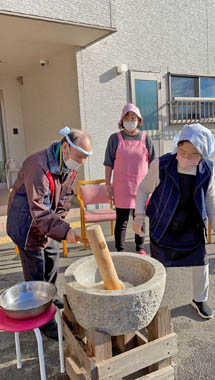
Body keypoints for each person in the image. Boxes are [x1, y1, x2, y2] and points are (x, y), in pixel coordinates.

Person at [7, 126, 92, 339]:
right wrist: (64, 231)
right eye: (79, 156)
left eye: (85, 158)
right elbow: (39, 209)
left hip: (46, 223)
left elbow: (64, 200)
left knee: (52, 259)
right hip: (26, 224)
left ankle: (50, 297)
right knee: (36, 270)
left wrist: (60, 227)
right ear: (65, 147)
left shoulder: (69, 168)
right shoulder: (38, 165)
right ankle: (43, 321)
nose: (81, 162)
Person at [133, 123, 215, 319]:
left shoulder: (208, 170)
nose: (185, 156)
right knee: (160, 267)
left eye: (192, 154)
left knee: (201, 263)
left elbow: (210, 199)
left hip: (193, 225)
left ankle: (199, 298)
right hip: (164, 224)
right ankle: (152, 303)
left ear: (203, 155)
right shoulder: (161, 165)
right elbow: (143, 190)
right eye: (182, 150)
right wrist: (138, 216)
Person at [104, 103, 155, 254]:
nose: (130, 120)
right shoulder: (115, 138)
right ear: (122, 120)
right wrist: (108, 185)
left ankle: (140, 248)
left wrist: (154, 185)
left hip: (142, 187)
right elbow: (108, 164)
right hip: (122, 187)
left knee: (140, 218)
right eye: (127, 117)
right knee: (122, 221)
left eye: (133, 117)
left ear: (139, 120)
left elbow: (153, 164)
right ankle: (120, 250)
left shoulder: (146, 139)